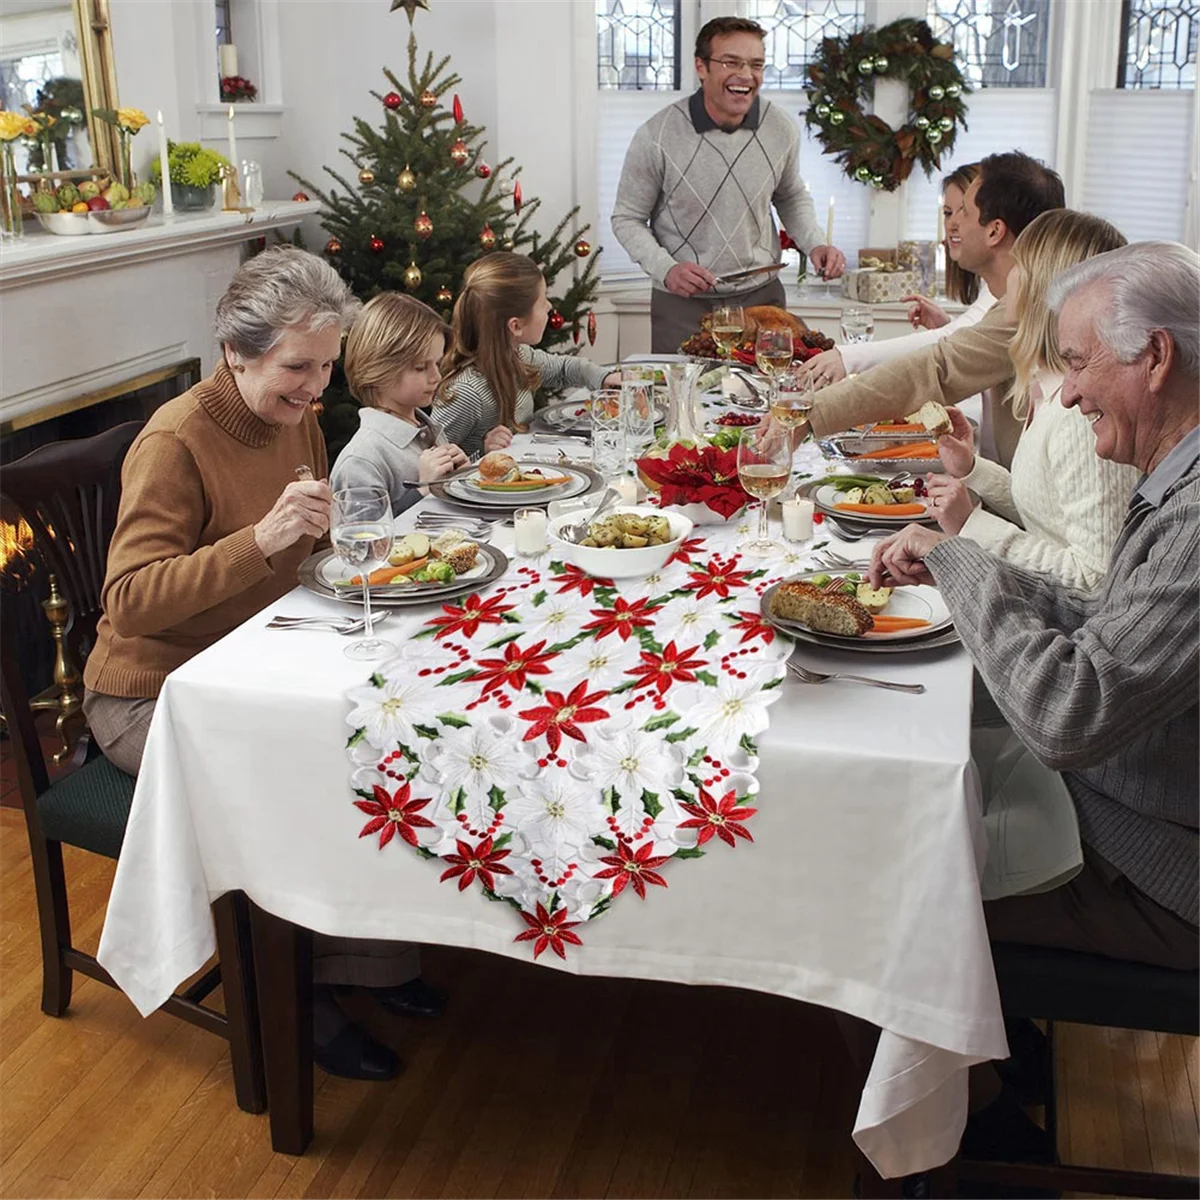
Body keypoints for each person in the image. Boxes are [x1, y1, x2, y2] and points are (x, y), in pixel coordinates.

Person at [81, 247, 440, 1084]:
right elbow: (128, 601)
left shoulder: (295, 414)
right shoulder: (174, 442)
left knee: (378, 733)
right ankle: (293, 994)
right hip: (152, 694)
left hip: (253, 653)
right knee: (301, 772)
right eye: (297, 367)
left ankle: (362, 964)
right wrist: (263, 542)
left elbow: (308, 533)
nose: (318, 388)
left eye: (324, 365)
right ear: (236, 352)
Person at [870, 239, 1200, 967]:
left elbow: (1067, 716)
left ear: (1156, 355)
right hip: (1128, 803)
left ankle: (983, 1078)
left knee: (882, 885)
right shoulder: (1179, 475)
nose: (1071, 391)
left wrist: (964, 562)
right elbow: (1115, 624)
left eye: (1080, 363)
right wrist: (967, 571)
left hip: (1160, 867)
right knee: (921, 770)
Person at [925, 209, 1140, 588]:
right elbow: (1046, 513)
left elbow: (1094, 578)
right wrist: (972, 468)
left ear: (1044, 286)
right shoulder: (1047, 388)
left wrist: (971, 525)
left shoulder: (1080, 414)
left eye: (1018, 264)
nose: (1008, 273)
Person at [810, 151, 1065, 468]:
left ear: (995, 231)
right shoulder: (1020, 297)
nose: (952, 224)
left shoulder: (1029, 308)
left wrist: (810, 414)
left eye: (964, 213)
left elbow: (937, 366)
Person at [611, 15, 845, 353]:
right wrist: (667, 269)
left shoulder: (780, 128)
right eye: (731, 62)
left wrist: (815, 244)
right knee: (682, 403)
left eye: (756, 64)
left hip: (763, 299)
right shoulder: (656, 136)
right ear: (701, 67)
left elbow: (791, 195)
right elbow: (626, 218)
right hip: (683, 304)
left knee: (768, 398)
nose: (746, 76)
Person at [805, 164, 995, 387]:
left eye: (964, 211)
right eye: (947, 213)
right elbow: (971, 341)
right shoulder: (990, 282)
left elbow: (956, 340)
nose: (952, 223)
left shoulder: (1006, 284)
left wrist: (847, 358)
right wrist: (947, 325)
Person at [435, 252, 619, 457]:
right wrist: (482, 450)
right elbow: (432, 461)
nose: (549, 307)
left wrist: (604, 378)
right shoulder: (466, 393)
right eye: (542, 302)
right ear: (516, 326)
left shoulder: (519, 356)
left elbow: (564, 369)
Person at [332, 292, 468, 516]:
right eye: (421, 367)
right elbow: (364, 543)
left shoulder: (427, 429)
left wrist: (458, 479)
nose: (436, 377)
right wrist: (423, 491)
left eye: (437, 363)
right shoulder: (361, 460)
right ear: (380, 369)